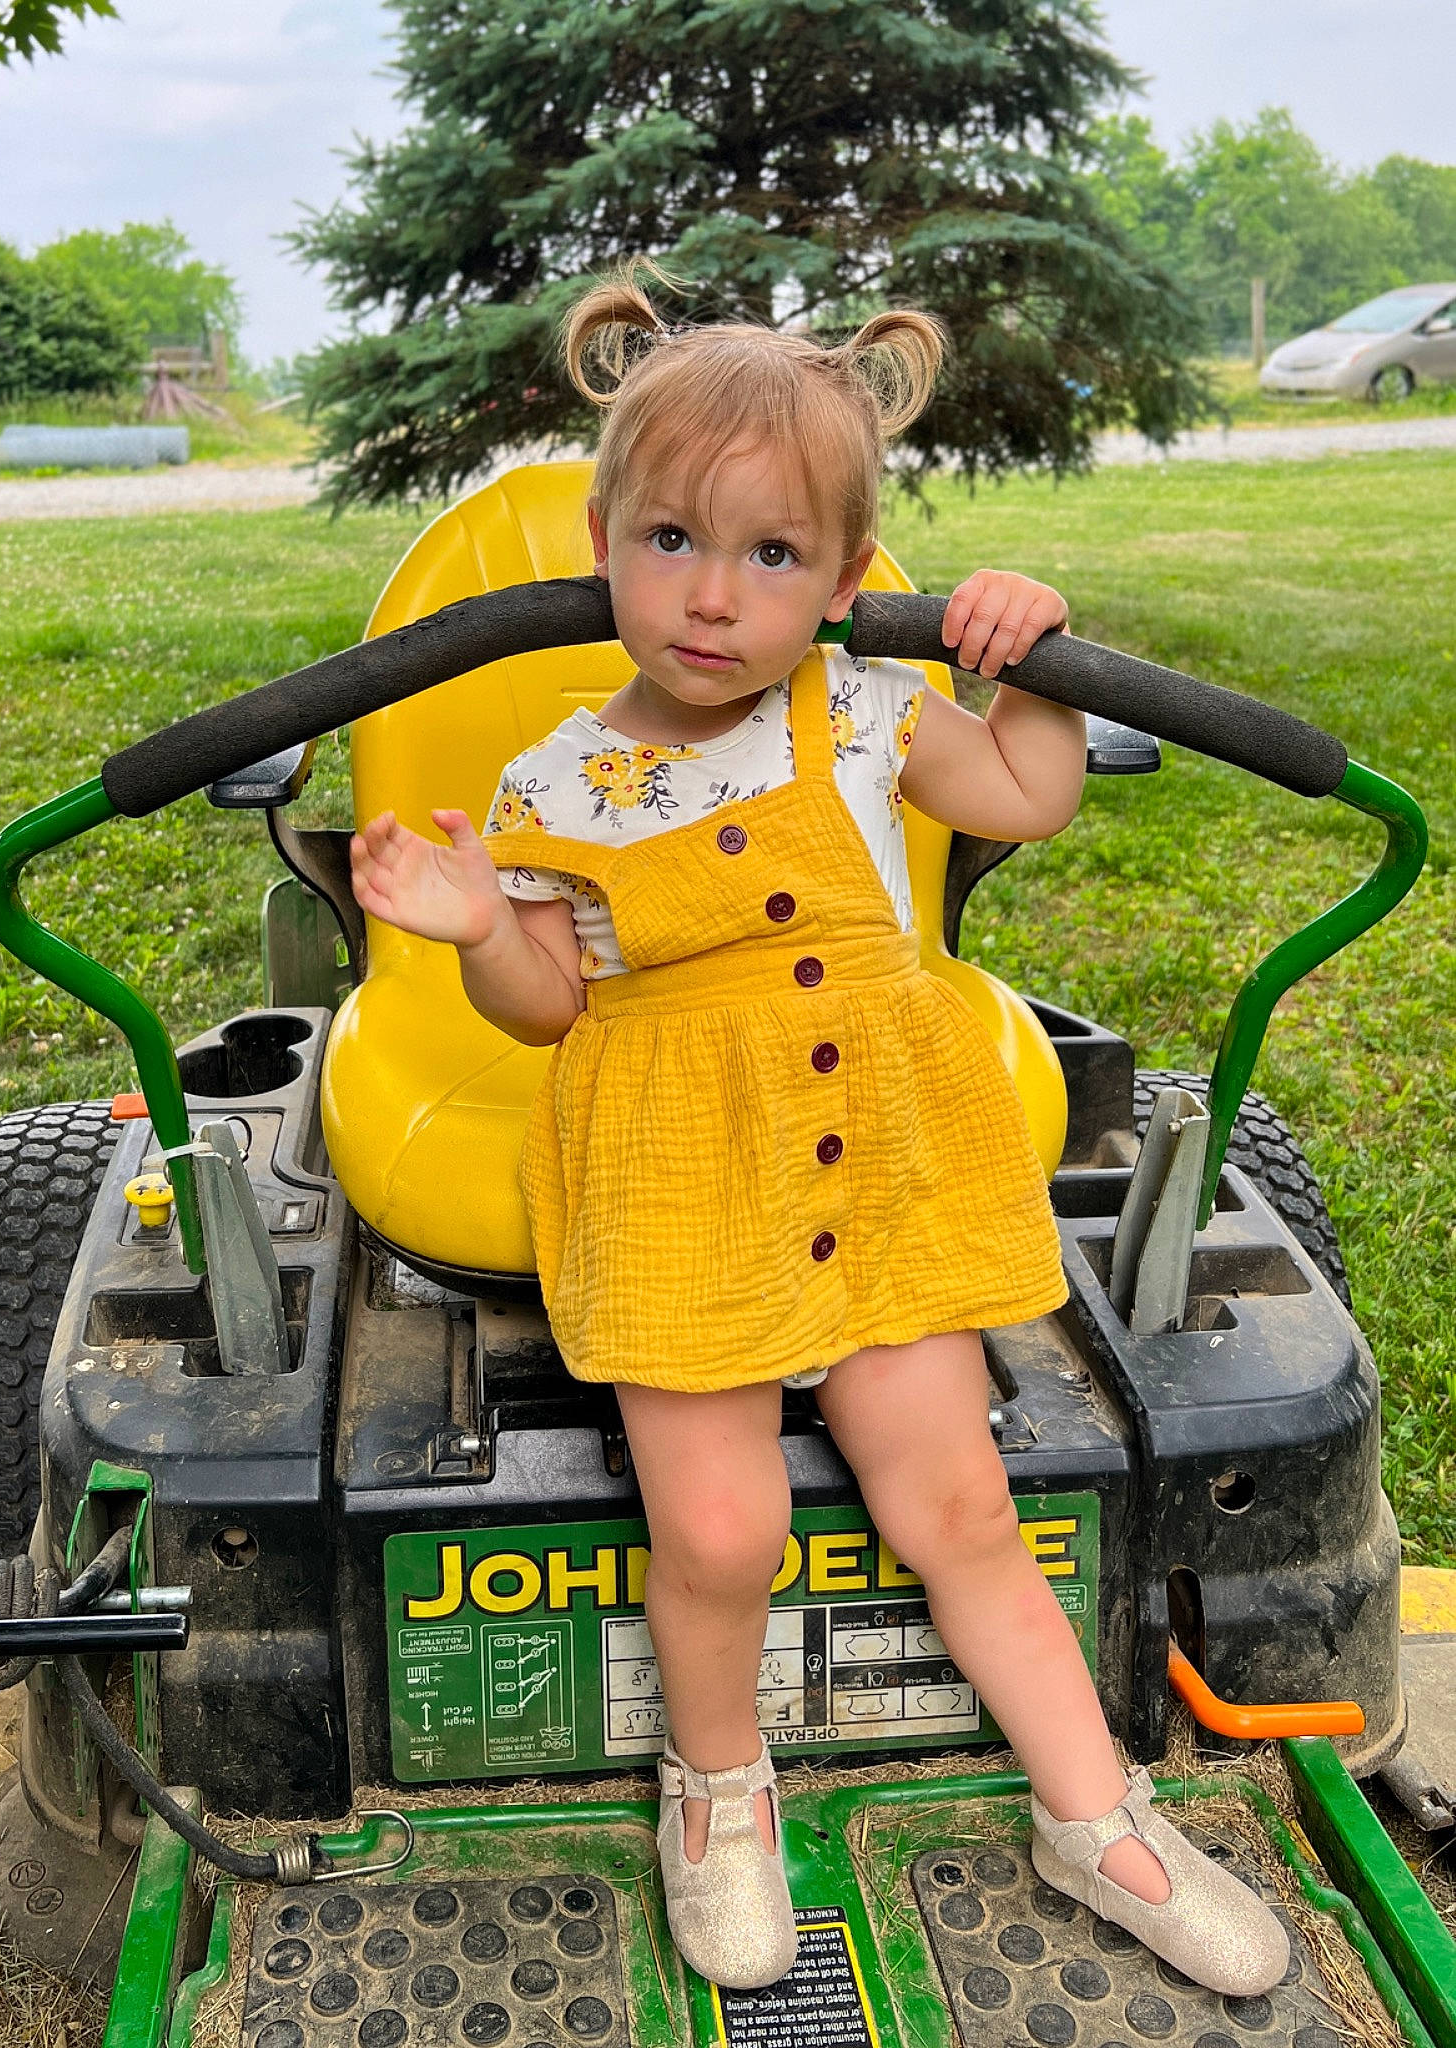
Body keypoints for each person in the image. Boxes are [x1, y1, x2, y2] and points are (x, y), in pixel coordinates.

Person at [349, 269, 1291, 2000]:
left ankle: (1099, 1819)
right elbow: (549, 1010)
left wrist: (1031, 659)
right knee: (718, 1534)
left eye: (773, 555)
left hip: (879, 1157)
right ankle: (717, 1790)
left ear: (851, 579)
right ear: (604, 538)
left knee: (963, 1503)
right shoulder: (558, 781)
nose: (713, 597)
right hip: (680, 1180)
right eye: (670, 541)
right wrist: (480, 923)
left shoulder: (864, 708)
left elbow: (1026, 793)